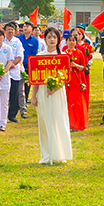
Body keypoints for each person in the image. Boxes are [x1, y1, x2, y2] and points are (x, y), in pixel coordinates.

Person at [30, 27, 72, 164]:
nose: (52, 40)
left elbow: (65, 77)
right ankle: (47, 155)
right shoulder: (39, 56)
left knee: (58, 120)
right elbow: (35, 79)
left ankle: (60, 153)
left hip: (57, 93)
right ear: (45, 39)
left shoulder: (62, 57)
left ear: (58, 40)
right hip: (42, 92)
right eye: (49, 37)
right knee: (44, 122)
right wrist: (34, 96)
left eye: (54, 37)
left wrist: (54, 88)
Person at [5, 22, 25, 123]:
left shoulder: (17, 42)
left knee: (14, 94)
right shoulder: (1, 41)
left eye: (12, 30)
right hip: (3, 72)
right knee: (2, 94)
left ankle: (12, 115)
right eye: (8, 29)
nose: (10, 31)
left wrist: (12, 65)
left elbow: (19, 55)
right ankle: (0, 114)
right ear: (5, 31)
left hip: (14, 71)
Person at [18, 22, 40, 113]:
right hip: (18, 64)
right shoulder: (18, 39)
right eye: (24, 26)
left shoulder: (35, 41)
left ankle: (24, 102)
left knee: (27, 84)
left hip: (28, 65)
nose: (25, 28)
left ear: (31, 29)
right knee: (18, 84)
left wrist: (27, 63)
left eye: (27, 26)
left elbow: (34, 54)